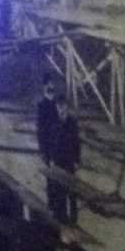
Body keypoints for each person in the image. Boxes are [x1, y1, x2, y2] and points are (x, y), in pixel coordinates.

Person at [46, 96, 80, 225]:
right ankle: (61, 215)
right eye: (59, 106)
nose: (61, 109)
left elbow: (77, 143)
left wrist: (77, 161)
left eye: (63, 106)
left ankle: (73, 218)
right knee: (58, 188)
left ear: (66, 107)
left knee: (71, 190)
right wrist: (50, 158)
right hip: (57, 159)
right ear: (56, 107)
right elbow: (51, 142)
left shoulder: (72, 122)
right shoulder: (54, 122)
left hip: (69, 160)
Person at [35, 76, 58, 166]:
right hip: (46, 138)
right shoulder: (41, 105)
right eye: (47, 84)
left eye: (51, 83)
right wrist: (42, 149)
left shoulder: (57, 103)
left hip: (56, 138)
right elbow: (40, 127)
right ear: (44, 87)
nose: (50, 86)